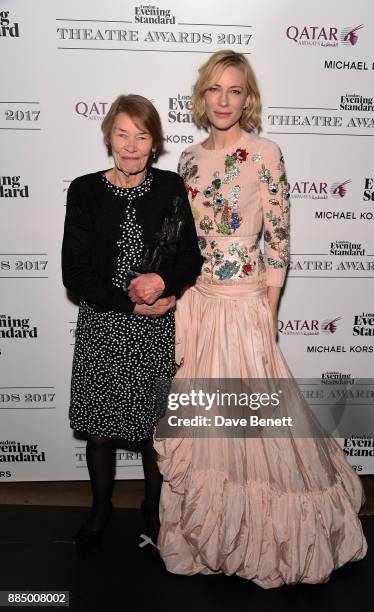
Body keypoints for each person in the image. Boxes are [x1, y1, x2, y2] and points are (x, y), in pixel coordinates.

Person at [154, 51, 367, 588]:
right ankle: (210, 537)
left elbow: (278, 239)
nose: (224, 101)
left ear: (248, 99)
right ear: (202, 96)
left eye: (235, 91)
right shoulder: (187, 158)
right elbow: (180, 244)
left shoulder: (266, 153)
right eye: (215, 90)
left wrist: (267, 313)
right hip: (197, 307)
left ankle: (263, 537)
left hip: (245, 305)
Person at [62, 94, 203, 557]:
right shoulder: (83, 191)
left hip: (156, 328)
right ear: (108, 136)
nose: (130, 145)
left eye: (141, 136)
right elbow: (75, 273)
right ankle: (100, 510)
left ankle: (153, 508)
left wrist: (164, 282)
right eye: (121, 133)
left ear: (154, 142)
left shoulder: (169, 188)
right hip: (104, 326)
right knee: (100, 432)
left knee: (153, 431)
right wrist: (129, 303)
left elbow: (189, 258)